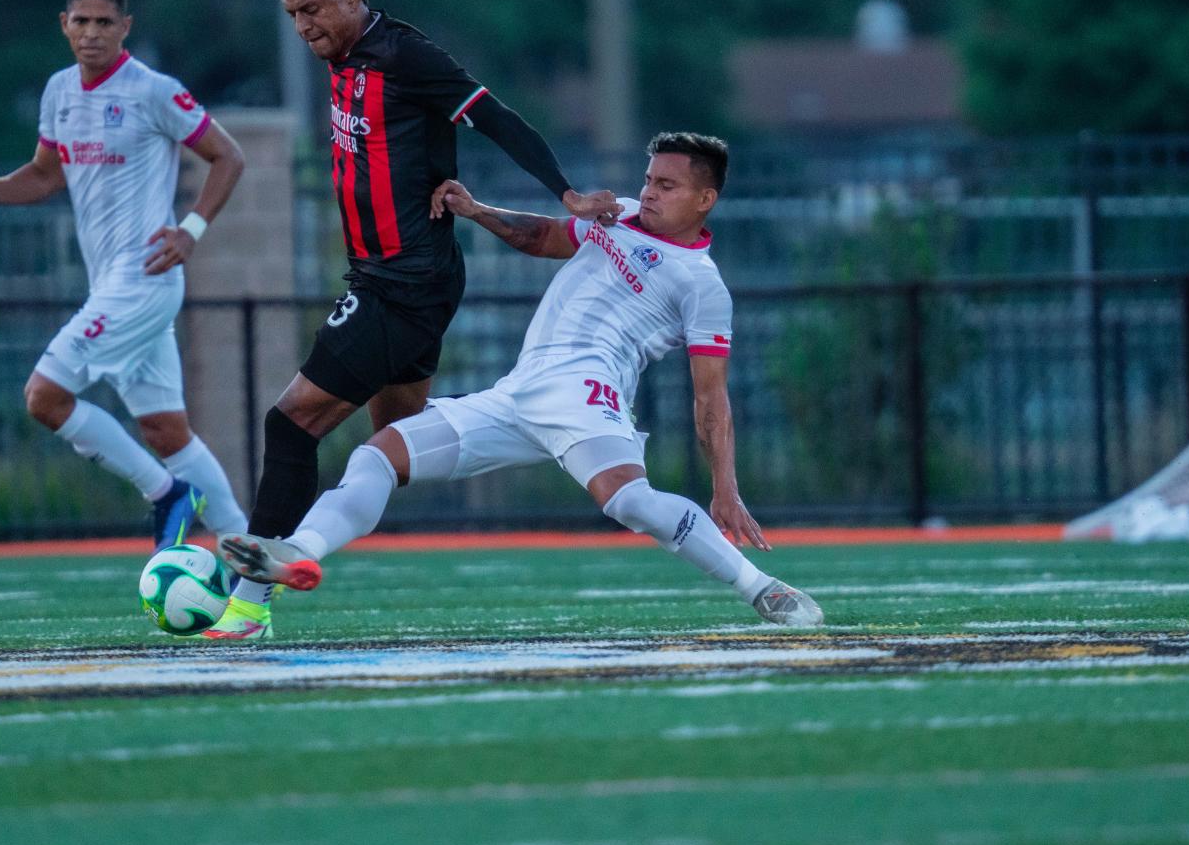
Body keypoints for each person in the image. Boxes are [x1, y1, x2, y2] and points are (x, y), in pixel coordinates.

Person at [220, 132, 823, 629]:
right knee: (379, 455)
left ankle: (763, 588)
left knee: (630, 502)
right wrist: (478, 211)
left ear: (706, 199)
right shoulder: (622, 219)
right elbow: (543, 236)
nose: (649, 192)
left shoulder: (702, 283)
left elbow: (710, 394)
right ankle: (299, 552)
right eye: (648, 179)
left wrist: (725, 486)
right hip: (517, 392)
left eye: (667, 185)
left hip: (589, 393)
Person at [209, 0, 621, 641]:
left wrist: (566, 191)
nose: (303, 25)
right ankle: (510, 415)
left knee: (291, 423)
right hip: (402, 280)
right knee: (391, 446)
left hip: (400, 284)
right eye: (291, 15)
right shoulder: (341, 58)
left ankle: (251, 597)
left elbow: (496, 117)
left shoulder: (405, 55)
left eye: (312, 9)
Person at [0, 0, 250, 560]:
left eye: (104, 22)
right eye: (80, 21)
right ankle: (249, 565)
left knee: (43, 396)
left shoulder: (152, 90)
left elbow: (228, 156)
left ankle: (165, 495)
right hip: (110, 282)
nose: (91, 33)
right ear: (64, 26)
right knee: (166, 431)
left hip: (143, 280)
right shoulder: (59, 91)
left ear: (125, 28)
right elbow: (43, 174)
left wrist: (191, 231)